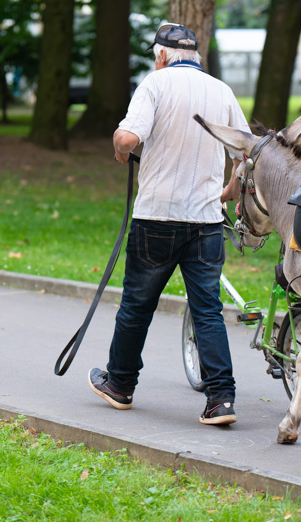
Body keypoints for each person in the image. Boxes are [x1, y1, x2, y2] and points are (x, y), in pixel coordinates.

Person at [88, 23, 248, 426]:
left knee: (136, 307)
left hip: (156, 218)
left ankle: (120, 386)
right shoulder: (222, 91)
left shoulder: (154, 85)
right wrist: (229, 188)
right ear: (195, 54)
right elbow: (245, 152)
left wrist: (119, 149)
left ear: (161, 55)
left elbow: (127, 139)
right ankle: (220, 401)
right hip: (206, 221)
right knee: (208, 310)